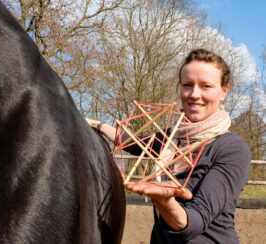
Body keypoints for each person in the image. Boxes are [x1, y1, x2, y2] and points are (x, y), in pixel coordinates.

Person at [86, 49, 251, 243]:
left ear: (224, 91)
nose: (194, 94)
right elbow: (132, 143)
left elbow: (196, 221)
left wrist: (164, 201)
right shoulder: (169, 139)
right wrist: (97, 125)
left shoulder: (232, 149)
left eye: (206, 86)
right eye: (187, 85)